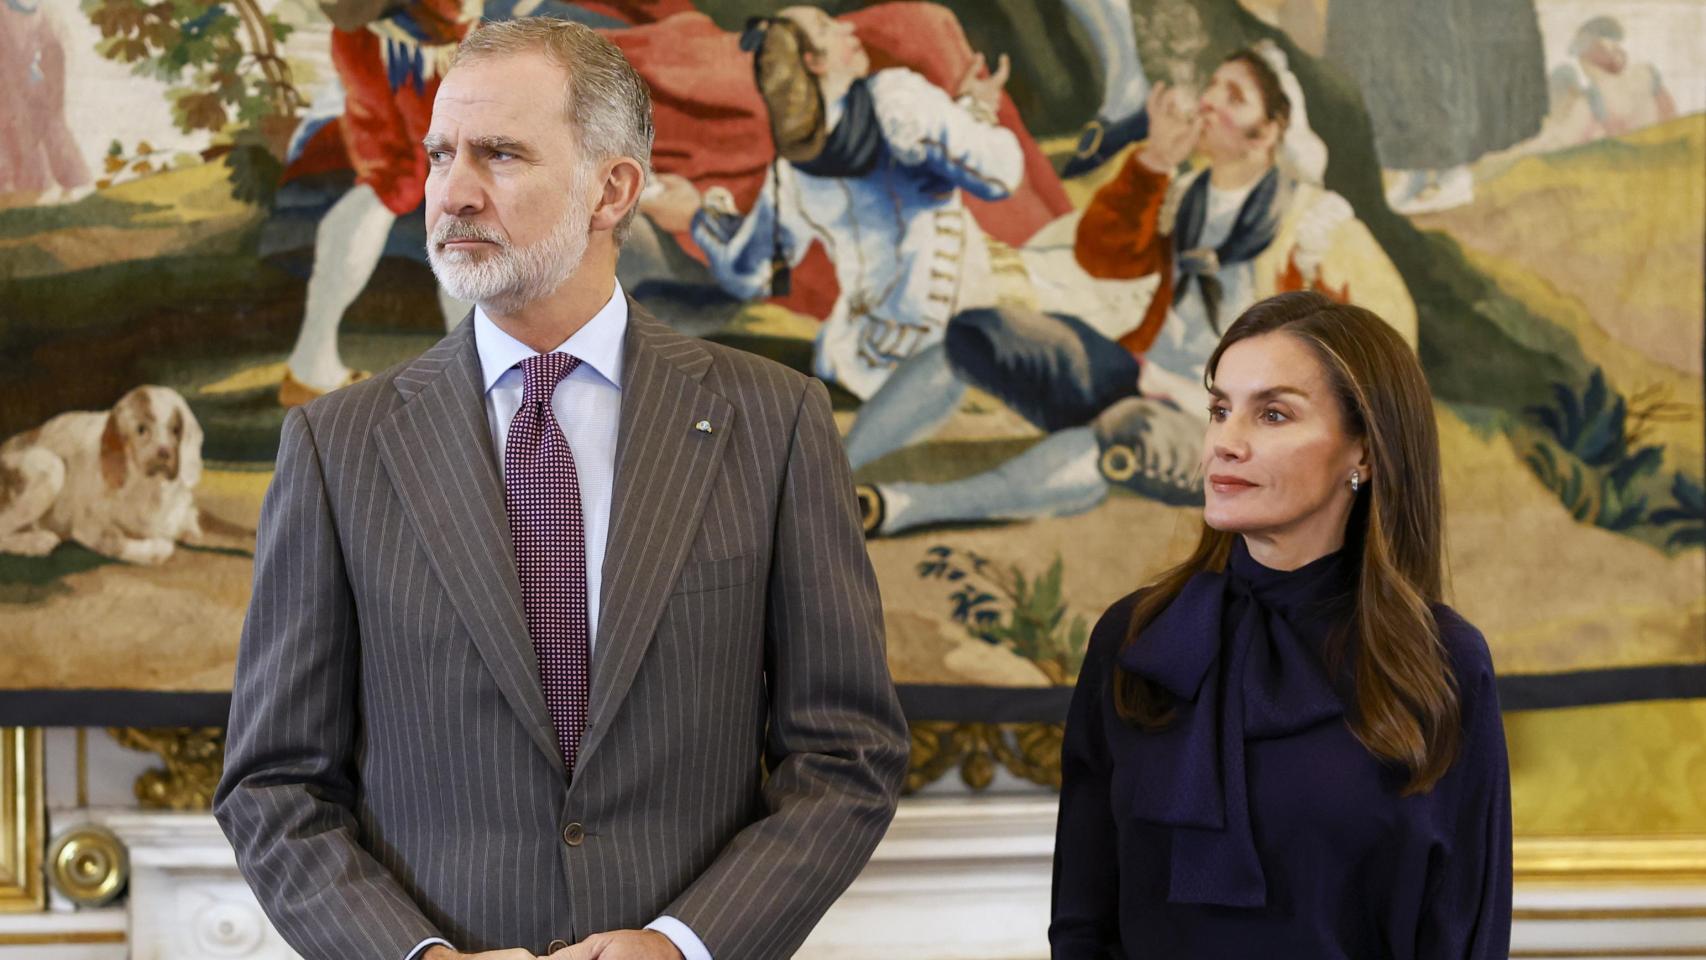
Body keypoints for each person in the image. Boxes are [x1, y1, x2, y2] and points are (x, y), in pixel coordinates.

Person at [215, 17, 908, 960]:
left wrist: (683, 943)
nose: (452, 192)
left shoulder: (773, 423)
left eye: (499, 154)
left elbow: (846, 753)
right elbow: (273, 783)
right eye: (440, 154)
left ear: (612, 189)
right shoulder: (336, 448)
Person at [1050, 291, 1512, 958]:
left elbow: (1465, 929)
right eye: (1218, 410)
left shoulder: (1441, 659)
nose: (1224, 444)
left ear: (1365, 452)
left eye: (1271, 414)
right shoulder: (1138, 639)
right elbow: (1082, 918)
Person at [851, 43, 1414, 537]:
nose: (1210, 100)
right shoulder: (1184, 192)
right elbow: (1103, 256)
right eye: (1212, 85)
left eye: (1234, 96)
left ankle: (901, 507)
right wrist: (1153, 162)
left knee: (1121, 431)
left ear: (1266, 133)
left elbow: (1388, 334)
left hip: (1226, 420)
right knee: (978, 333)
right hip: (1143, 375)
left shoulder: (1313, 222)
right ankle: (831, 469)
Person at [683, 6, 1024, 402]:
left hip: (854, 361)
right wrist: (977, 110)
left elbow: (747, 275)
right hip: (950, 351)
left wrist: (705, 220)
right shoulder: (897, 100)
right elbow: (1001, 175)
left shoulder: (793, 171)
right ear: (816, 60)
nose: (847, 26)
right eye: (829, 27)